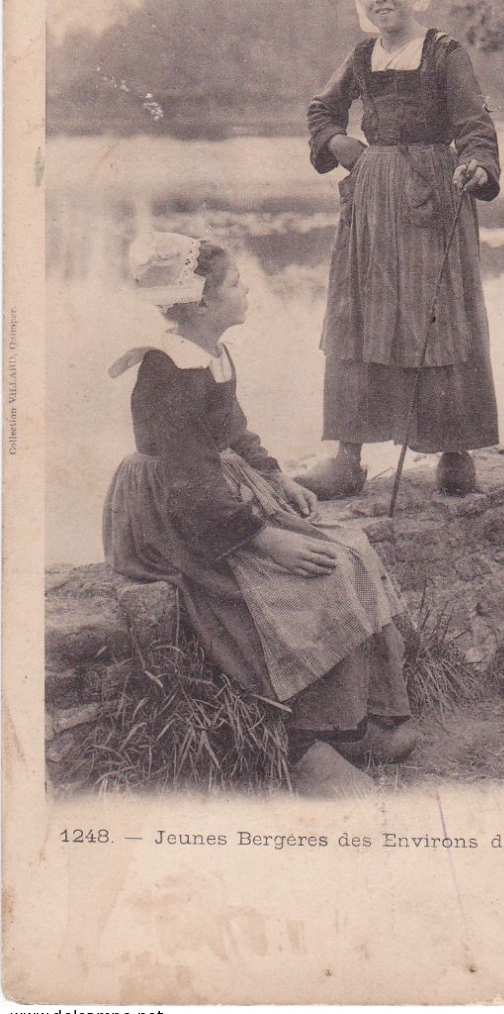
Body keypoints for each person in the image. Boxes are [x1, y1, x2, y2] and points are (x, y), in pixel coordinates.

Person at [103, 231, 416, 797]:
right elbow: (189, 490)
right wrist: (268, 541)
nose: (247, 291)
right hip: (173, 517)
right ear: (201, 301)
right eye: (235, 284)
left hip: (217, 495)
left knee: (351, 553)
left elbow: (234, 432)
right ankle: (302, 744)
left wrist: (273, 478)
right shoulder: (167, 370)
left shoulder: (212, 352)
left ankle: (355, 726)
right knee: (307, 579)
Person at [298, 0, 500, 500]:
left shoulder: (443, 52)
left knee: (438, 318)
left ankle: (454, 452)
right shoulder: (362, 57)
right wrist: (338, 143)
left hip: (433, 199)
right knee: (361, 316)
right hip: (369, 203)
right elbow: (321, 108)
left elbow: (474, 124)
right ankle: (348, 457)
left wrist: (478, 166)